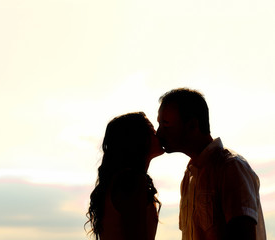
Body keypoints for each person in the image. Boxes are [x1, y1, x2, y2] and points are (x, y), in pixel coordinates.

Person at [156, 88, 266, 240]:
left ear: (192, 125)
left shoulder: (231, 168)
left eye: (165, 124)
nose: (158, 133)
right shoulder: (189, 177)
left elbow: (243, 232)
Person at [85, 112, 164, 240]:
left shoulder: (121, 180)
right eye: (151, 131)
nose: (158, 134)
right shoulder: (131, 182)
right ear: (138, 139)